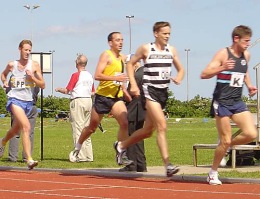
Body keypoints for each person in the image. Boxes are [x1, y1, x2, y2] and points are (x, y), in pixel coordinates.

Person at [114, 21, 185, 177]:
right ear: (156, 33)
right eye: (164, 33)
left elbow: (181, 69)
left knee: (147, 131)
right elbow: (130, 64)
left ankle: (121, 145)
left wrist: (179, 77)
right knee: (162, 126)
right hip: (149, 92)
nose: (167, 36)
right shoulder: (146, 48)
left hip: (163, 93)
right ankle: (168, 165)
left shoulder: (171, 50)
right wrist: (133, 84)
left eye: (169, 34)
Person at [200, 25, 258, 185]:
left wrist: (250, 85)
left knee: (251, 134)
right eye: (246, 41)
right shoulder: (223, 54)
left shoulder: (246, 55)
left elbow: (244, 71)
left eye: (249, 41)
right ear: (236, 39)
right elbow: (203, 74)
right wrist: (222, 67)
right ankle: (212, 173)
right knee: (225, 139)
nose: (248, 44)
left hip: (237, 101)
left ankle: (225, 145)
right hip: (222, 101)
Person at [69, 32, 132, 166]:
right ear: (110, 43)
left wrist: (124, 89)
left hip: (116, 97)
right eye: (117, 40)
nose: (120, 42)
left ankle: (121, 151)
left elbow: (123, 73)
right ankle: (77, 148)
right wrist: (116, 78)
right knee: (92, 128)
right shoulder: (106, 55)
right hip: (102, 97)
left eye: (122, 40)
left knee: (125, 123)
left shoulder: (122, 58)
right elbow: (97, 75)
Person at [0, 39, 45, 170]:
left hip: (28, 102)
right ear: (20, 49)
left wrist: (33, 78)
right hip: (14, 99)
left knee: (15, 130)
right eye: (25, 50)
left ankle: (2, 142)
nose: (28, 53)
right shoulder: (12, 65)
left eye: (30, 50)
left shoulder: (35, 65)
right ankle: (29, 159)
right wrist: (4, 82)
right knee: (26, 127)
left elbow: (43, 84)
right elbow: (3, 74)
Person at [55, 54, 94, 162]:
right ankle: (89, 155)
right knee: (87, 128)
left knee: (78, 128)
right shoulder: (89, 76)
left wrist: (58, 89)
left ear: (77, 63)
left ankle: (80, 155)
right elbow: (93, 91)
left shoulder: (76, 75)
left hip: (78, 101)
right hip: (88, 100)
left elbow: (67, 90)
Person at [119, 55, 147, 172]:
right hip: (142, 110)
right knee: (138, 138)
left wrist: (122, 90)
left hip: (134, 109)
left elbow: (130, 96)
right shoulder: (145, 73)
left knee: (130, 136)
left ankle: (131, 165)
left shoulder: (136, 76)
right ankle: (141, 165)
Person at [8, 86, 39, 162]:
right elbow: (36, 90)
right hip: (30, 104)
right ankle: (26, 157)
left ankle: (13, 157)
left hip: (19, 104)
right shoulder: (33, 76)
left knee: (16, 132)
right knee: (29, 132)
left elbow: (8, 90)